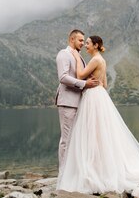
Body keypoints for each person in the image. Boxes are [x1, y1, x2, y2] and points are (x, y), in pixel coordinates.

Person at [56, 36, 139, 198]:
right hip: (100, 95)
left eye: (87, 43)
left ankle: (90, 171)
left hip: (92, 97)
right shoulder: (102, 60)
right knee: (100, 134)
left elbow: (79, 75)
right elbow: (105, 84)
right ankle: (98, 169)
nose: (85, 45)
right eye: (83, 42)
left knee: (91, 134)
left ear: (96, 45)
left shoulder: (94, 60)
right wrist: (94, 81)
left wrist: (77, 59)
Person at [55, 29, 99, 174]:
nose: (83, 43)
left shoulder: (79, 57)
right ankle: (63, 174)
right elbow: (63, 77)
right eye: (80, 40)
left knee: (77, 139)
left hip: (79, 103)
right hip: (67, 102)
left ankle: (74, 172)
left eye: (84, 41)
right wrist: (84, 84)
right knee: (66, 140)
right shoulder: (63, 54)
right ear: (72, 39)